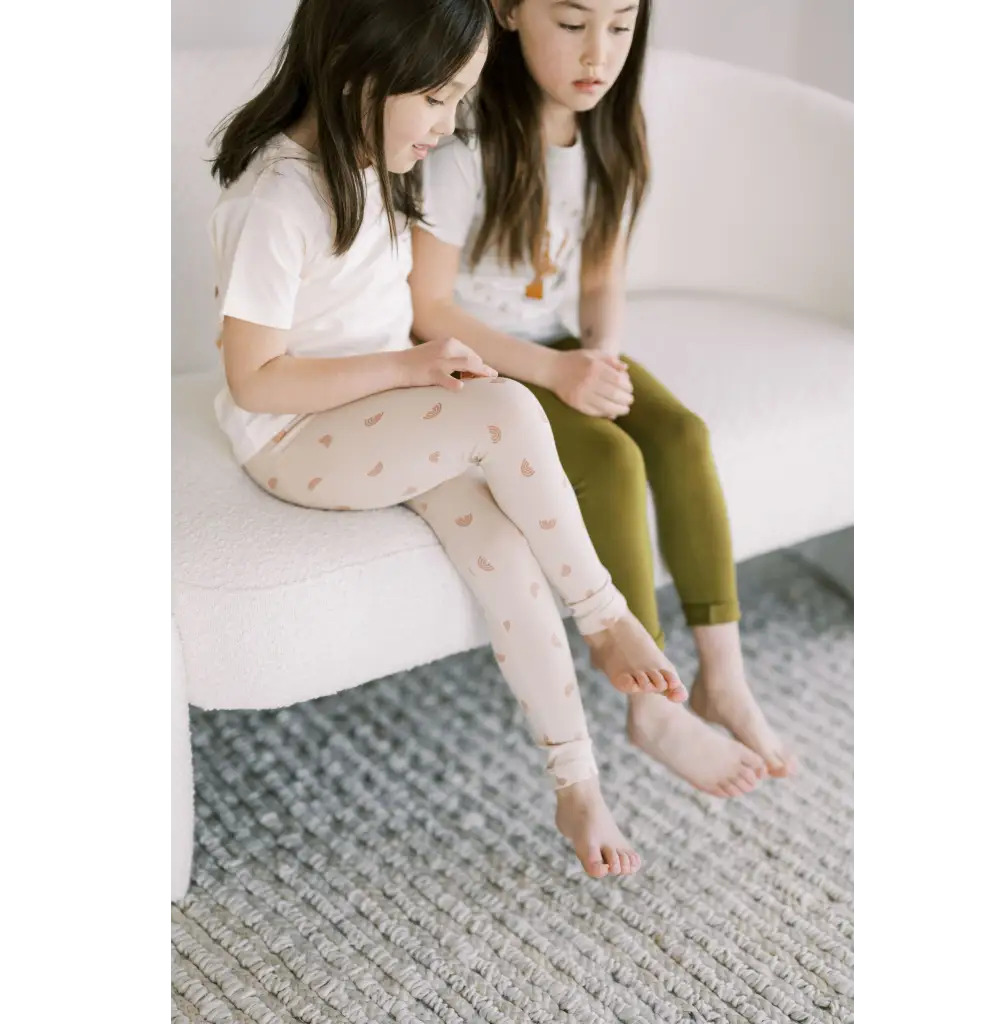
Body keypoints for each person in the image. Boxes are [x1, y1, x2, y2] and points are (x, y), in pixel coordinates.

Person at [207, 0, 689, 878]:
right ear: (360, 69)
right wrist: (411, 368)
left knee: (502, 550)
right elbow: (254, 380)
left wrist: (414, 367)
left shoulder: (369, 159)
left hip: (380, 420)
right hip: (294, 436)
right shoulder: (278, 200)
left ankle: (575, 779)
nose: (447, 124)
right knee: (506, 407)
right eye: (435, 98)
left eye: (458, 101)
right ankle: (606, 615)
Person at [411, 0, 795, 795]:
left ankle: (723, 675)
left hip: (560, 350)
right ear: (510, 14)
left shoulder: (609, 131)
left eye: (620, 26)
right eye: (574, 23)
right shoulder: (465, 146)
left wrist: (601, 360)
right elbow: (428, 309)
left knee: (681, 433)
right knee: (611, 462)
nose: (600, 53)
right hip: (478, 366)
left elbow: (599, 276)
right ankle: (649, 702)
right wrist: (555, 377)